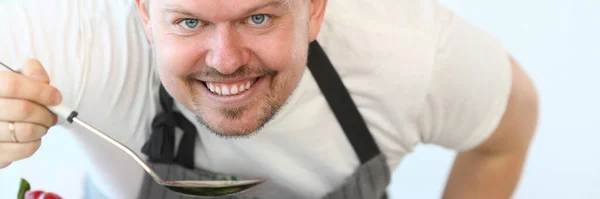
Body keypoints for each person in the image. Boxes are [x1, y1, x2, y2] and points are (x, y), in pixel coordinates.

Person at [0, 0, 539, 198]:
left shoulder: (413, 55)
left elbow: (506, 137)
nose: (226, 60)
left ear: (316, 8)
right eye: (189, 22)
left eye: (258, 17)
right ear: (144, 12)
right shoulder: (79, 39)